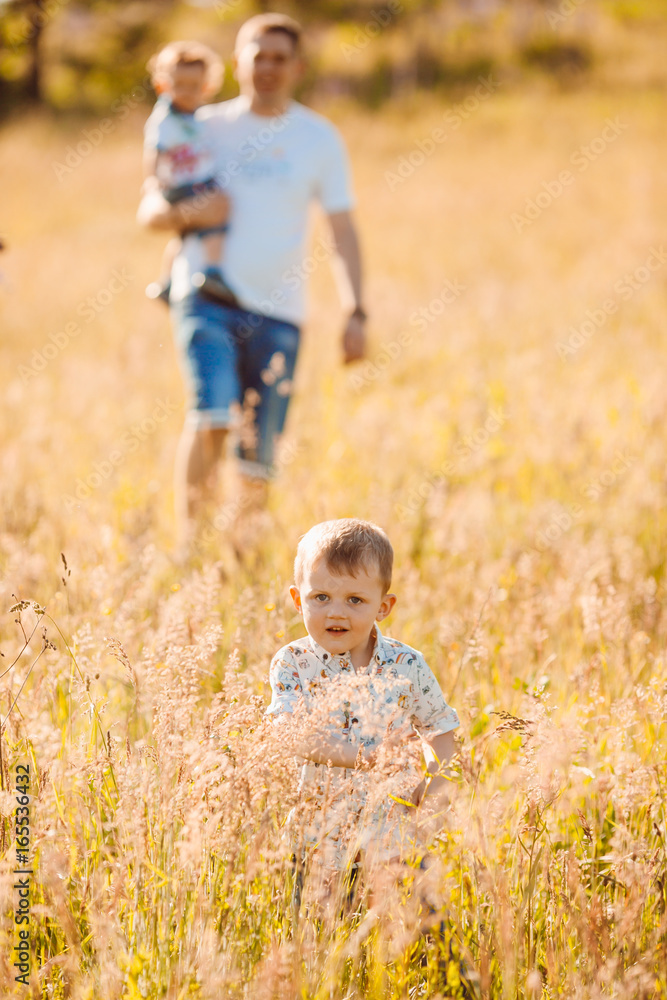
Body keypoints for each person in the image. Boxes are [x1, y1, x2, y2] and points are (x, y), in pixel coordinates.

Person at [137, 14, 367, 547]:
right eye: (256, 55)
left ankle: (241, 555)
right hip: (205, 295)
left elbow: (342, 230)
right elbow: (149, 207)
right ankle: (190, 549)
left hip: (282, 311)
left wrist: (356, 310)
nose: (267, 66)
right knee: (213, 415)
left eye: (279, 57)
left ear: (297, 67)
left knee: (258, 449)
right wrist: (190, 211)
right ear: (236, 62)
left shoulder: (318, 138)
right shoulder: (201, 124)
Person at [266, 518, 460, 879]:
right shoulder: (294, 663)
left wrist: (431, 801)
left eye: (355, 599)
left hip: (392, 844)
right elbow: (290, 734)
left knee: (417, 929)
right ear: (297, 599)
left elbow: (441, 733)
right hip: (316, 844)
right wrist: (369, 758)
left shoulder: (405, 665)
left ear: (383, 607)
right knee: (317, 932)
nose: (336, 611)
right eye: (320, 597)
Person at [143, 41, 238, 306]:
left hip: (193, 179)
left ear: (206, 87)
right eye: (179, 84)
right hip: (183, 184)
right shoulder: (165, 117)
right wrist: (151, 181)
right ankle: (213, 270)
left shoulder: (197, 117)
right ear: (163, 84)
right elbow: (154, 151)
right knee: (216, 217)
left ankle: (166, 282)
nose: (186, 92)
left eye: (194, 86)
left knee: (184, 236)